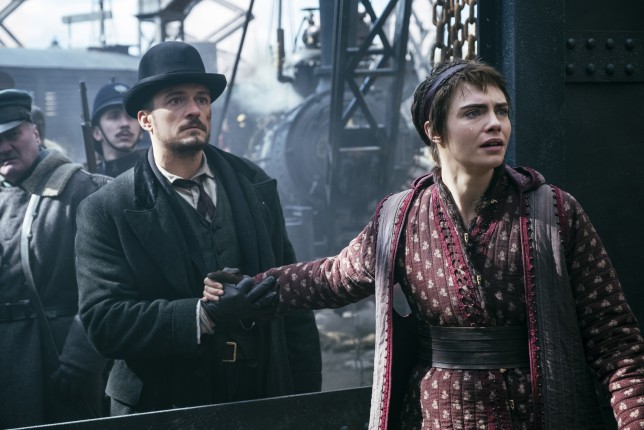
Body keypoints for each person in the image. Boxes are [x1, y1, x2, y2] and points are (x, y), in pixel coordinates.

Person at [204, 59, 644, 429]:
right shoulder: (401, 217)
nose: (495, 123)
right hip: (435, 415)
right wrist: (251, 290)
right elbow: (333, 277)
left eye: (501, 111)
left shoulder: (554, 212)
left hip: (536, 415)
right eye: (474, 112)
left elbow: (615, 341)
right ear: (434, 129)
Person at [75, 41, 322, 416]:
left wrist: (307, 400)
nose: (194, 110)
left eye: (202, 99)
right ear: (145, 119)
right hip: (162, 406)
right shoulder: (107, 209)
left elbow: (291, 301)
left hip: (257, 397)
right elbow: (104, 322)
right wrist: (202, 314)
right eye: (176, 100)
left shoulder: (254, 184)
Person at [0, 89, 109, 427]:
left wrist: (81, 359)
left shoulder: (82, 190)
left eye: (12, 135)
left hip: (61, 364)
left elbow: (107, 285)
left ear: (35, 132)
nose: (3, 147)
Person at [91, 81, 144, 176]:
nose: (125, 124)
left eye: (131, 116)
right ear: (97, 132)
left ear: (142, 130)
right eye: (114, 116)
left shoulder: (156, 174)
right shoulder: (86, 178)